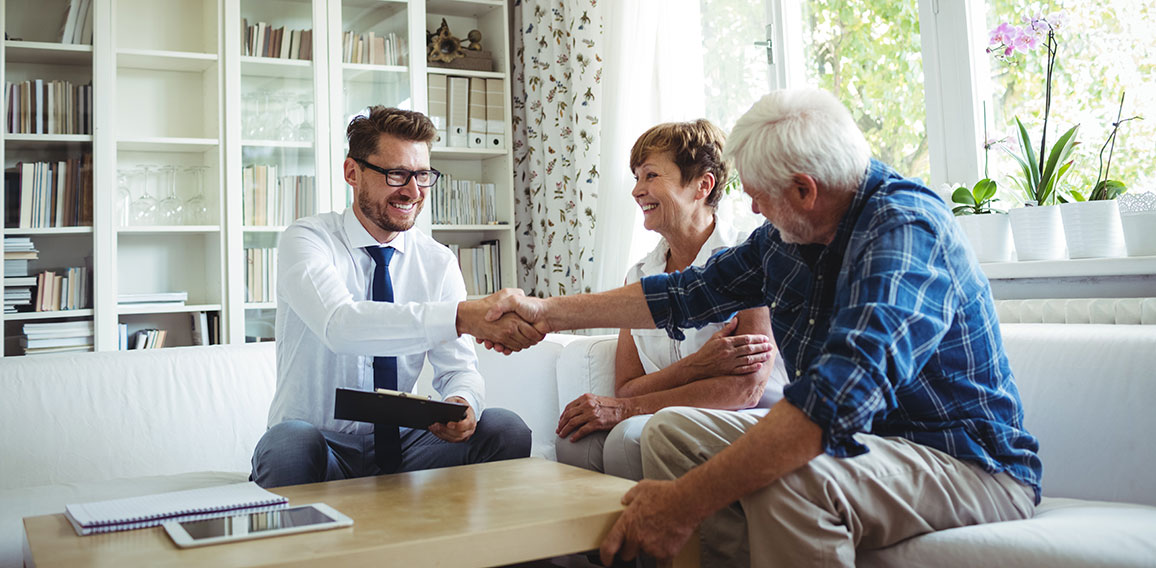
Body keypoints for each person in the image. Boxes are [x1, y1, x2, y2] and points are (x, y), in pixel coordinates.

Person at [478, 88, 1041, 567]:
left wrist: (681, 503)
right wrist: (546, 313)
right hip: (865, 446)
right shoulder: (790, 236)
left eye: (757, 191)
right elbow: (686, 293)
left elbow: (831, 405)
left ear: (804, 189)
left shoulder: (904, 231)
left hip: (963, 461)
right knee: (673, 433)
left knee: (796, 477)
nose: (748, 201)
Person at [250, 106, 542, 489]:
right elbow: (342, 325)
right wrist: (460, 316)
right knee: (288, 442)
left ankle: (461, 546)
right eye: (396, 174)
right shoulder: (307, 240)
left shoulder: (437, 261)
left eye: (422, 175)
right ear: (352, 173)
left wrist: (462, 401)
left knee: (504, 428)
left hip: (408, 444)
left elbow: (458, 368)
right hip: (321, 444)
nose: (413, 191)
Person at [555, 119, 788, 481]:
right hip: (666, 411)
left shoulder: (747, 259)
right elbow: (627, 386)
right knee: (574, 442)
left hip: (746, 412)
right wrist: (697, 366)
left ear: (702, 185)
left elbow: (746, 388)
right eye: (636, 177)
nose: (637, 190)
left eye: (650, 176)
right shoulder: (639, 276)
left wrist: (627, 409)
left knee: (627, 438)